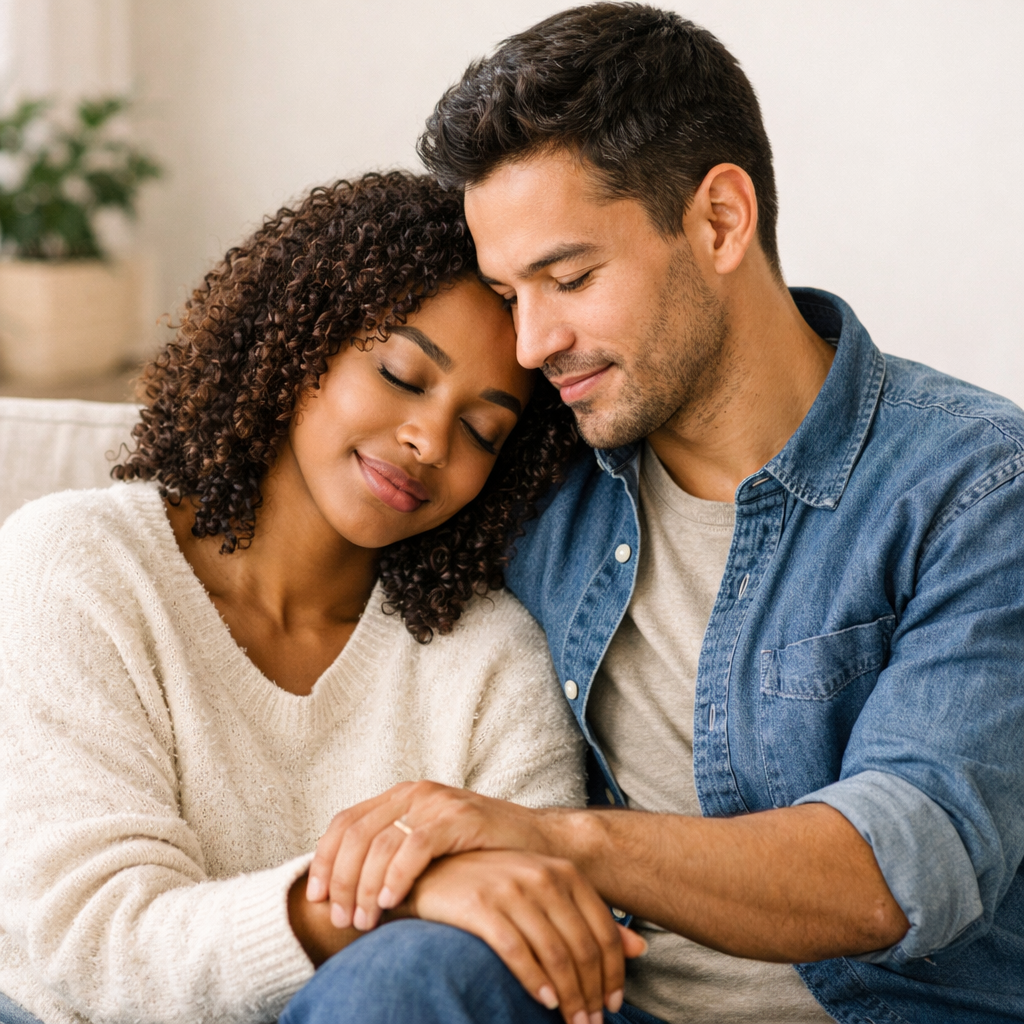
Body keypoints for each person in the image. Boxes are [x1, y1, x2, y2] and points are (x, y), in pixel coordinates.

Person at [292, 7, 1024, 1024]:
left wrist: (557, 839)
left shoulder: (978, 486)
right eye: (510, 292)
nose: (534, 341)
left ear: (720, 219)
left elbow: (905, 860)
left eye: (571, 277)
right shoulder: (538, 482)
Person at [0, 172, 618, 1024]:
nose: (429, 439)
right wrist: (396, 899)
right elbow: (100, 947)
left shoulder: (490, 658)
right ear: (301, 344)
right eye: (403, 373)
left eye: (483, 430)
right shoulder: (79, 566)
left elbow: (527, 949)